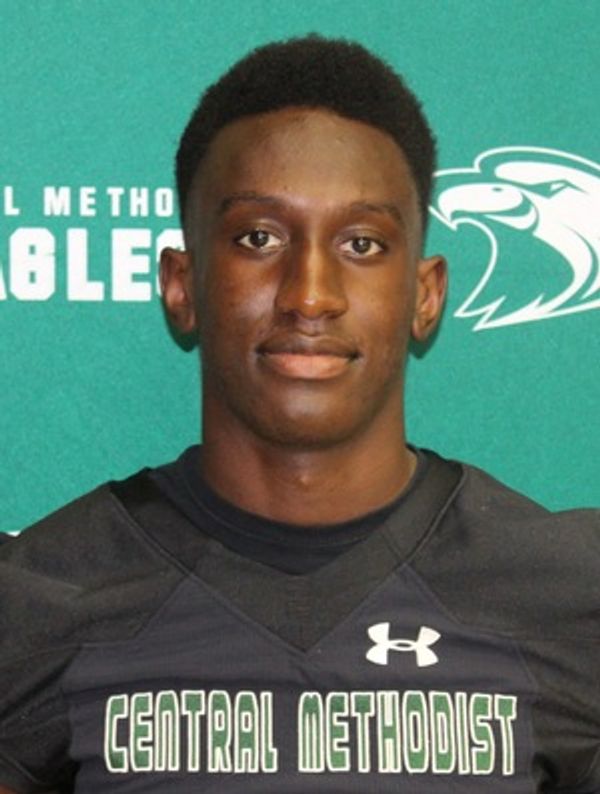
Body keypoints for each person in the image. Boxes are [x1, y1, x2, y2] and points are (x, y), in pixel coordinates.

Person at [0, 34, 598, 794]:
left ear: (425, 295)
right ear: (182, 284)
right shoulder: (36, 600)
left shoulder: (573, 597)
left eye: (362, 243)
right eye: (259, 237)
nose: (310, 294)